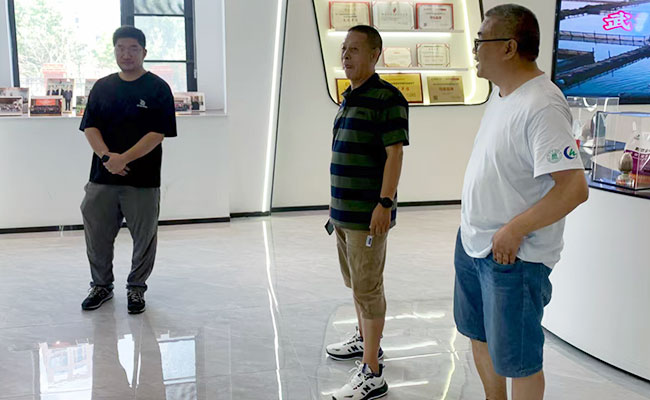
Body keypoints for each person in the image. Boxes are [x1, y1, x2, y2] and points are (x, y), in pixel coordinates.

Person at [454, 5, 589, 400]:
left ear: (509, 47)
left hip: (513, 256)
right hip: (474, 242)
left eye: (481, 41)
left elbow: (573, 188)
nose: (475, 50)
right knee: (478, 334)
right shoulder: (502, 95)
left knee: (519, 359)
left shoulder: (543, 105)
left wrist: (514, 230)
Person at [325, 25, 409, 400]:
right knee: (356, 284)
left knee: (368, 288)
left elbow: (395, 154)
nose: (346, 55)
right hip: (344, 214)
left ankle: (372, 372)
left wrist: (385, 203)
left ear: (375, 54)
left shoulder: (387, 98)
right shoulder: (349, 97)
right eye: (344, 49)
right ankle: (363, 339)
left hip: (368, 215)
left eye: (355, 49)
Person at [79, 26, 177, 314]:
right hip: (102, 177)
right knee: (97, 234)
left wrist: (123, 159)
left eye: (133, 48)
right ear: (114, 51)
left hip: (143, 179)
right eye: (120, 48)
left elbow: (157, 134)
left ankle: (136, 288)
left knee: (144, 238)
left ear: (144, 52)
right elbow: (90, 127)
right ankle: (101, 285)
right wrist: (108, 157)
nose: (126, 54)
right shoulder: (102, 87)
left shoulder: (158, 88)